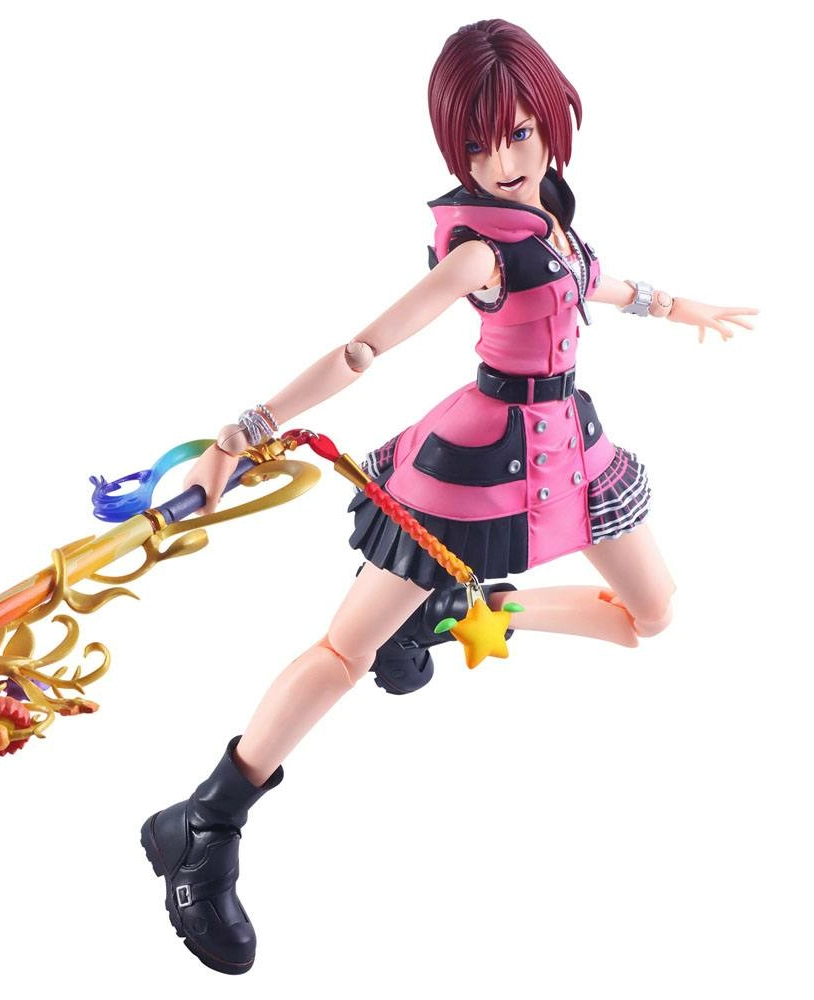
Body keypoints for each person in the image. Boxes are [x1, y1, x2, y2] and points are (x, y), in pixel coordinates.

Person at [139, 18, 756, 975]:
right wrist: (238, 436)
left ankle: (462, 609)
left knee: (650, 616)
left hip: (568, 448)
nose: (503, 164)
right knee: (345, 652)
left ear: (551, 121)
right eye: (479, 146)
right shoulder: (479, 252)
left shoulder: (551, 224)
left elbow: (602, 284)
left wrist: (682, 307)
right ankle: (205, 823)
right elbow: (362, 349)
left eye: (519, 135)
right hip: (474, 465)